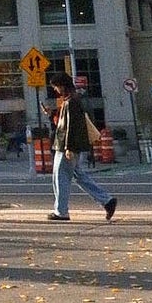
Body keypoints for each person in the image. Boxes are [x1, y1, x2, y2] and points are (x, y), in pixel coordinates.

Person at [47, 72, 118, 222]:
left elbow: (72, 127)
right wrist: (52, 114)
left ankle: (61, 211)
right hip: (67, 145)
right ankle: (107, 201)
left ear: (62, 85)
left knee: (60, 177)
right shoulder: (70, 100)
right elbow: (65, 123)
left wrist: (68, 147)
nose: (55, 90)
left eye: (56, 86)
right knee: (79, 176)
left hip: (66, 146)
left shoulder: (71, 101)